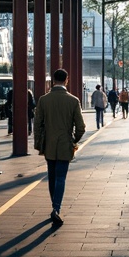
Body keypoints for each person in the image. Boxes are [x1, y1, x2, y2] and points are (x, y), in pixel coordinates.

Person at [33, 69, 85, 226]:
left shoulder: (43, 100)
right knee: (61, 177)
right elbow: (81, 127)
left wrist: (39, 143)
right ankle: (56, 208)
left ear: (53, 80)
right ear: (67, 80)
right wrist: (73, 140)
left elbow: (37, 124)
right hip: (65, 145)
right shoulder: (73, 100)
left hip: (49, 144)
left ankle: (54, 205)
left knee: (52, 176)